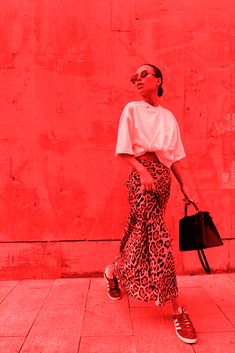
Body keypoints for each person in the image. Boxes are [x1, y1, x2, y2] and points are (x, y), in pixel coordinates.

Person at [104, 64, 198, 344]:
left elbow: (176, 159)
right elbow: (124, 151)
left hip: (163, 180)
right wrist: (143, 173)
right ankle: (178, 310)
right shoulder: (131, 109)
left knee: (139, 235)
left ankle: (112, 270)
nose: (137, 78)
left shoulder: (168, 117)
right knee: (158, 238)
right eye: (135, 76)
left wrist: (187, 189)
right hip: (141, 180)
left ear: (158, 80)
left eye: (144, 74)